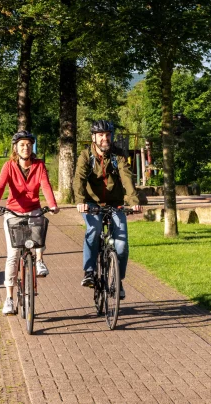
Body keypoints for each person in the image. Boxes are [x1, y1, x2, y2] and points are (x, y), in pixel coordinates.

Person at [0, 130, 59, 315]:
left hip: (33, 209)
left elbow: (45, 185)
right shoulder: (8, 166)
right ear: (16, 148)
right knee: (13, 255)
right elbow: (0, 185)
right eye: (22, 144)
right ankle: (9, 299)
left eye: (29, 144)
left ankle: (39, 261)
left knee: (39, 232)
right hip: (13, 212)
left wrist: (52, 205)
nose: (26, 147)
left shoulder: (39, 166)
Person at [74, 120, 142, 299]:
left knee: (121, 244)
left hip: (115, 203)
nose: (105, 138)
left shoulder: (118, 155)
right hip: (91, 203)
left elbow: (127, 177)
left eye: (108, 135)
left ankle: (117, 280)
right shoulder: (85, 155)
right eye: (101, 135)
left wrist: (133, 200)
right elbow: (79, 179)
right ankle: (89, 272)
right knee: (94, 229)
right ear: (94, 137)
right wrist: (80, 200)